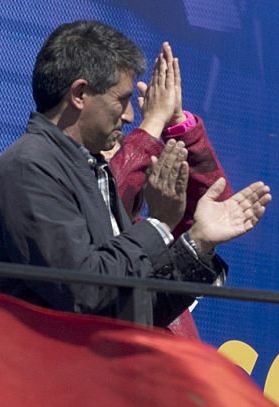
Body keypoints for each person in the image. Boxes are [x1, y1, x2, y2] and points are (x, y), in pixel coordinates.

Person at [0, 20, 270, 327]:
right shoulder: (29, 168)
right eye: (122, 99)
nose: (130, 115)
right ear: (79, 93)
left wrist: (197, 243)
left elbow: (134, 310)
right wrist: (158, 224)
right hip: (43, 372)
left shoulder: (90, 168)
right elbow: (86, 291)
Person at [107, 40, 233, 339]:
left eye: (122, 141)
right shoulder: (56, 179)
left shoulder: (153, 232)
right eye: (113, 144)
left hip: (171, 373)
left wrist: (177, 125)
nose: (123, 142)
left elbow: (214, 204)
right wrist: (152, 122)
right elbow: (107, 204)